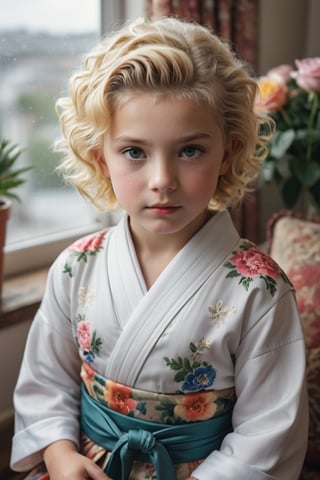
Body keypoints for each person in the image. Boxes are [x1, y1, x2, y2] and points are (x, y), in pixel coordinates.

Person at [10, 16, 308, 480]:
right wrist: (59, 453)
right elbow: (46, 382)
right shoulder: (75, 268)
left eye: (190, 150)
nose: (162, 180)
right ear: (100, 158)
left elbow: (268, 434)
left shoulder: (259, 290)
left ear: (226, 153)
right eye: (134, 152)